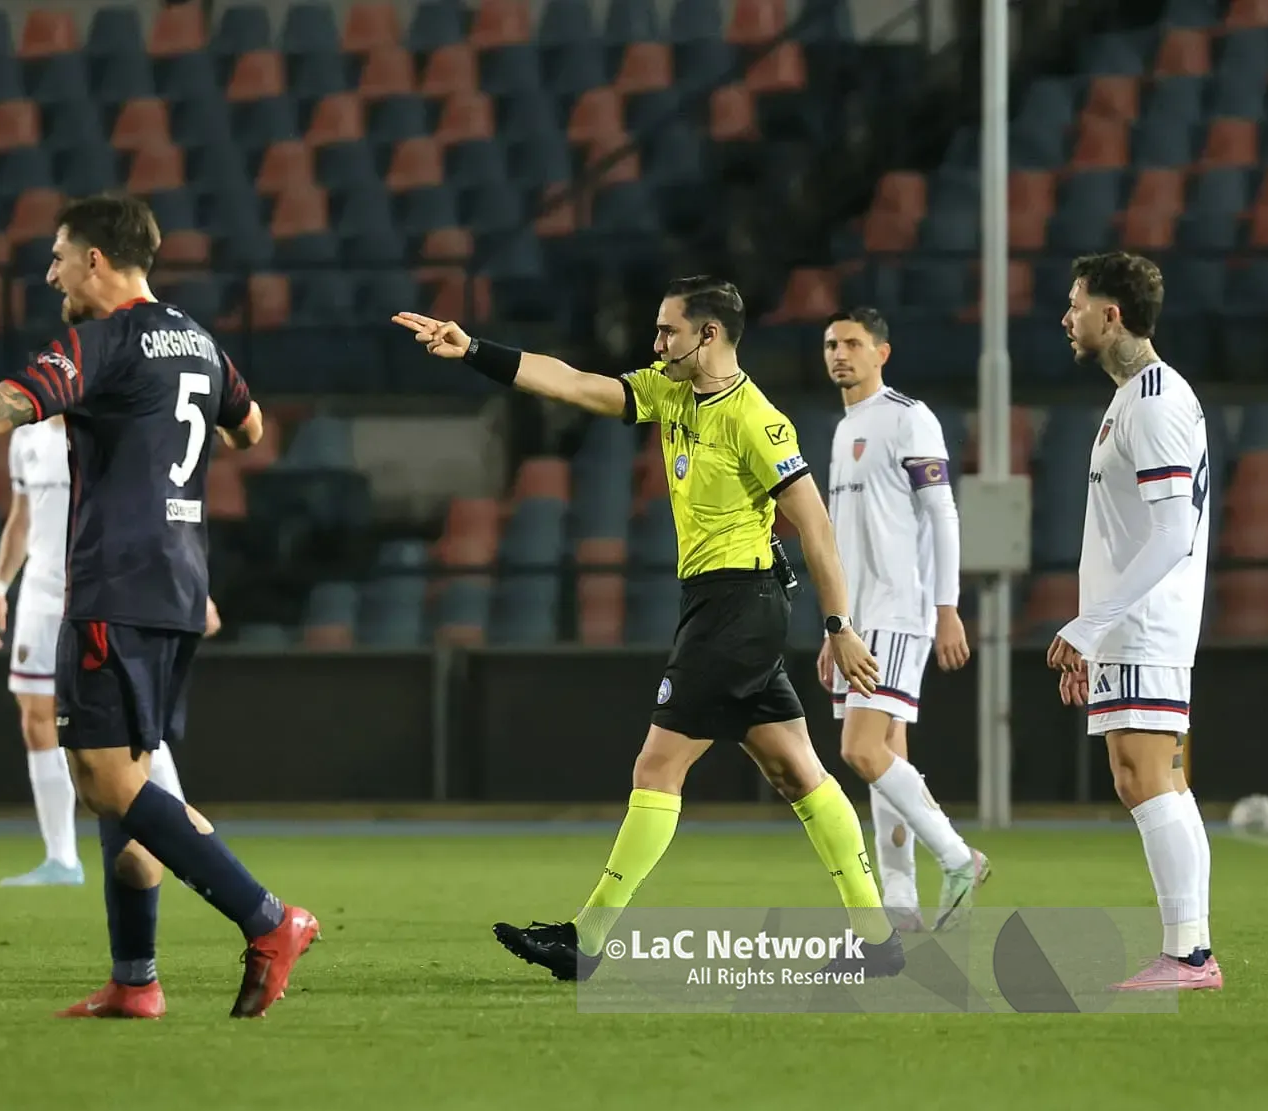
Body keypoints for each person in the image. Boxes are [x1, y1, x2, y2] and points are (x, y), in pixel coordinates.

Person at [0, 193, 319, 1019]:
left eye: (56, 257)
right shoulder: (198, 339)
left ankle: (268, 917)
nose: (49, 275)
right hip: (177, 583)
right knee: (126, 780)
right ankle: (135, 979)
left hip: (114, 582)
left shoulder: (103, 343)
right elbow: (251, 428)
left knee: (104, 780)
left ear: (94, 259)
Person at [394, 277, 905, 984]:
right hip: (722, 603)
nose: (656, 342)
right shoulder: (670, 392)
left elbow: (815, 525)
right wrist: (475, 348)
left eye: (668, 331)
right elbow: (574, 383)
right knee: (797, 771)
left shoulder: (757, 420)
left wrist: (839, 625)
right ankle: (877, 940)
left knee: (657, 768)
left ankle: (585, 938)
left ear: (709, 335)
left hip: (737, 607)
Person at [1052, 251, 1218, 992]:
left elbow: (1173, 530)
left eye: (1076, 303)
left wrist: (1093, 625)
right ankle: (1190, 948)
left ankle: (1189, 956)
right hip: (1137, 624)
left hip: (1146, 624)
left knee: (1144, 776)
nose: (1067, 317)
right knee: (1154, 778)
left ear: (1111, 314)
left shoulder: (1152, 400)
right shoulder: (1137, 397)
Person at [0, 415, 220, 888]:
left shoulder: (109, 428)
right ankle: (61, 858)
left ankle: (189, 843)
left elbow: (156, 509)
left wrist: (192, 587)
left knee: (133, 723)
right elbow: (21, 517)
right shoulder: (26, 436)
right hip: (41, 593)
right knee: (35, 717)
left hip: (102, 590)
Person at [818, 308, 988, 933]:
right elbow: (841, 540)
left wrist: (947, 607)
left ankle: (959, 857)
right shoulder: (844, 429)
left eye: (852, 343)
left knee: (859, 749)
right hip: (857, 621)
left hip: (898, 609)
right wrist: (834, 626)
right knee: (888, 756)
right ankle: (900, 899)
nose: (840, 354)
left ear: (881, 353)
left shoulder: (908, 417)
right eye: (831, 344)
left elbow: (942, 514)